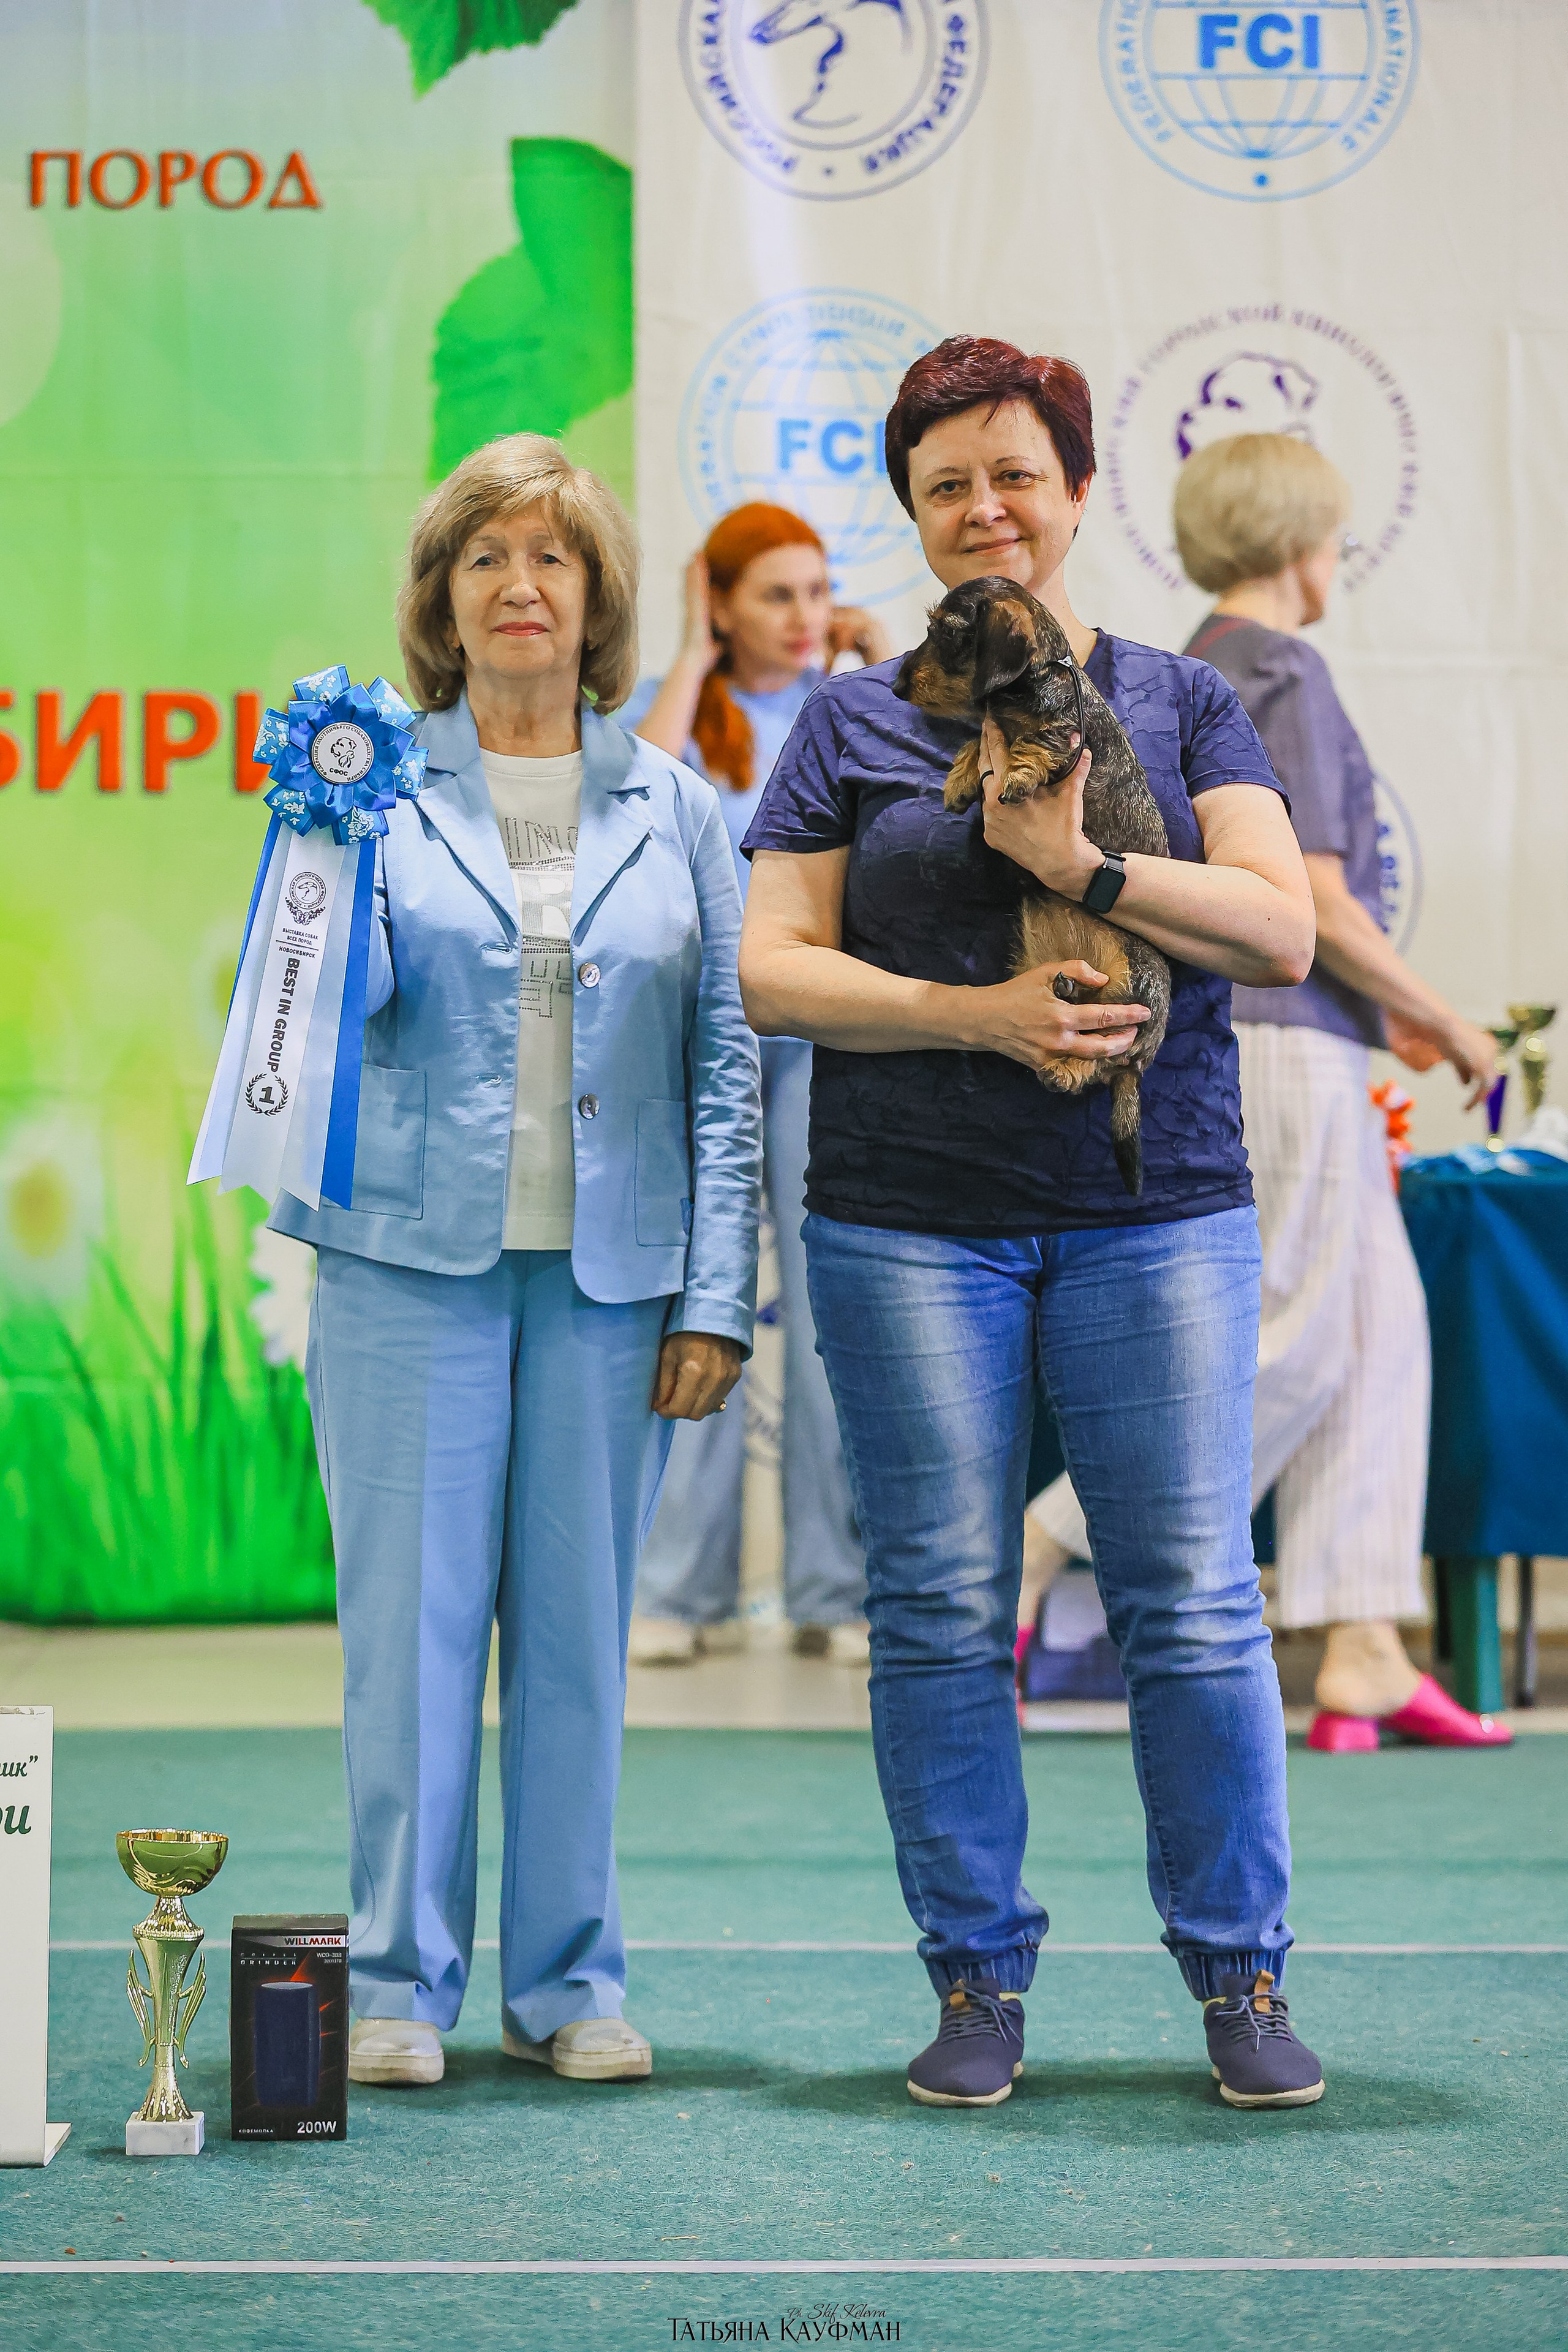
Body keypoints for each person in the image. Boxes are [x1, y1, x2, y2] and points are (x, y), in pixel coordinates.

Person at [739, 335, 1328, 2113]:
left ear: (1075, 493)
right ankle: (976, 1978)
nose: (983, 508)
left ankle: (1240, 1977)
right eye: (944, 485)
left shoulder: (1180, 699)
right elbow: (772, 970)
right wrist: (973, 1015)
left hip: (1153, 1208)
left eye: (1013, 473)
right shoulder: (852, 720)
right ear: (913, 517)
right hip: (909, 1218)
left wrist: (1078, 871)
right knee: (932, 1604)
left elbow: (1281, 932)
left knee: (1195, 1598)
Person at [268, 434, 762, 2089]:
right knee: (405, 1639)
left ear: (599, 596)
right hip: (405, 1268)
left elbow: (724, 1065)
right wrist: (314, 859)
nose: (519, 584)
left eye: (551, 556)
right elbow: (302, 1031)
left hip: (613, 1282)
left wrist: (715, 1292)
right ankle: (400, 1986)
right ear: (441, 601)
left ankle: (567, 1986)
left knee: (576, 1642)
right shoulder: (361, 782)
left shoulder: (681, 804)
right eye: (484, 557)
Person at [1027, 432, 1508, 1751]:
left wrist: (1380, 1015)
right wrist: (1436, 1014)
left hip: (1292, 1036)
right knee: (1298, 1330)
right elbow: (1310, 894)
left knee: (1376, 1332)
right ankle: (1047, 1540)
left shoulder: (1198, 665)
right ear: (1302, 540)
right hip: (1283, 1040)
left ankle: (1358, 1638)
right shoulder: (1278, 666)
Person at [625, 505, 888, 1667]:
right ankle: (679, 1594)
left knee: (838, 1305)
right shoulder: (679, 711)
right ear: (723, 602)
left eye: (817, 592)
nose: (803, 616)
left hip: (825, 1028)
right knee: (700, 1301)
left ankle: (838, 1591)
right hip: (702, 1034)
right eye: (775, 593)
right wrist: (689, 652)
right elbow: (632, 816)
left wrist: (880, 674)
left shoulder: (851, 706)